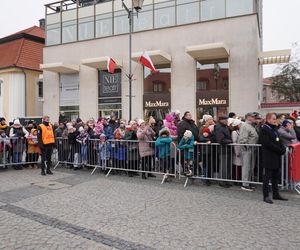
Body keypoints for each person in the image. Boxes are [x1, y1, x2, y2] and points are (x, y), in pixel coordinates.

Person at [259, 113, 288, 204]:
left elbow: (279, 140)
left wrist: (282, 148)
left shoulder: (274, 128)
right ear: (268, 119)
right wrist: (279, 150)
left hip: (276, 156)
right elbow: (267, 143)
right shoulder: (264, 129)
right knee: (267, 177)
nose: (275, 120)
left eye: (275, 118)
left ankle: (276, 194)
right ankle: (266, 195)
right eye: (273, 118)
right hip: (269, 156)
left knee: (275, 176)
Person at [238, 113, 259, 191]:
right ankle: (245, 184)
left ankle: (248, 182)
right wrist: (246, 146)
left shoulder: (251, 126)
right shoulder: (245, 125)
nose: (255, 118)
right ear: (249, 117)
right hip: (248, 149)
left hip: (252, 149)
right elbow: (243, 139)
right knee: (246, 167)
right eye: (253, 117)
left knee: (251, 167)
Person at [214, 116, 233, 187]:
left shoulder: (225, 127)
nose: (227, 121)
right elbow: (220, 140)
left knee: (227, 166)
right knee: (223, 166)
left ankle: (227, 180)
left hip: (227, 149)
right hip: (223, 149)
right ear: (222, 120)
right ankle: (222, 181)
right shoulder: (219, 127)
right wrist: (231, 141)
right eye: (226, 120)